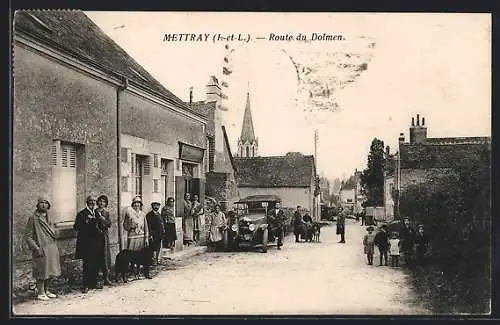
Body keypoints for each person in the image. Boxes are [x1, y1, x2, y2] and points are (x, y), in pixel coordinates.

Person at [24, 195, 62, 300]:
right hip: (41, 247)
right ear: (38, 204)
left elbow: (55, 232)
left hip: (51, 247)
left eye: (46, 202)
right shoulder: (33, 218)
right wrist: (36, 248)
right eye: (42, 202)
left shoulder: (51, 217)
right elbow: (28, 236)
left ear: (48, 205)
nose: (44, 204)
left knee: (51, 271)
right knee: (41, 271)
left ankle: (46, 290)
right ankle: (40, 292)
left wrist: (56, 229)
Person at [74, 195, 104, 293]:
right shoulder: (82, 214)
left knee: (95, 262)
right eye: (91, 201)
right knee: (87, 263)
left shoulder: (97, 213)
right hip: (86, 243)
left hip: (96, 243)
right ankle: (86, 285)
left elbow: (102, 225)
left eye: (94, 201)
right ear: (87, 202)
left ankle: (93, 283)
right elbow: (76, 226)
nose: (93, 202)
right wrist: (86, 222)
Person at [123, 196, 151, 279]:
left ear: (140, 205)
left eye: (138, 203)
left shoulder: (143, 214)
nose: (137, 205)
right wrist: (131, 226)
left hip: (141, 237)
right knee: (131, 255)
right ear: (133, 204)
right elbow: (125, 225)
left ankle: (139, 272)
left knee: (140, 255)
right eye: (135, 203)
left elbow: (146, 227)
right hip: (132, 237)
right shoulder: (129, 213)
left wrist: (146, 237)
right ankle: (131, 272)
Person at [95, 195, 112, 286]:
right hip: (96, 237)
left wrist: (104, 220)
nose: (102, 203)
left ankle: (106, 278)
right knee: (97, 257)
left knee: (105, 257)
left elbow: (109, 224)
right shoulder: (94, 212)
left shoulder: (106, 213)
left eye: (104, 202)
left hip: (104, 237)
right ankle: (98, 280)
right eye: (100, 201)